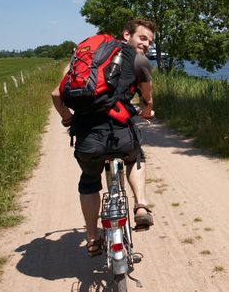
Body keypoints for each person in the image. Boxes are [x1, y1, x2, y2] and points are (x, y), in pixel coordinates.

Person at [51, 19, 156, 257]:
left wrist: (67, 118)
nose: (146, 44)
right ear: (126, 34)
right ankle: (140, 206)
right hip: (121, 136)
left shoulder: (83, 61)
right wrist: (147, 112)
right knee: (136, 156)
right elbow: (147, 98)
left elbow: (56, 95)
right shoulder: (139, 61)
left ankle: (92, 237)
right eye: (142, 38)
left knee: (89, 180)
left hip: (88, 139)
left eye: (149, 41)